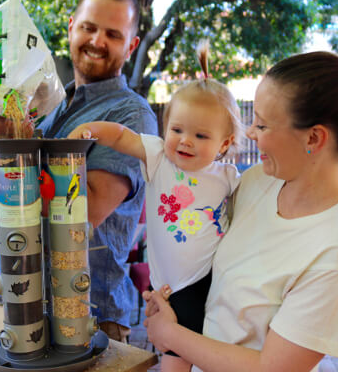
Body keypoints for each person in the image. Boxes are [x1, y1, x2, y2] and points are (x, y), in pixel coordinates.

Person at [142, 50, 338, 372]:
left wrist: (171, 335)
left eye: (263, 124)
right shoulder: (258, 183)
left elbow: (272, 368)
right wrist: (172, 298)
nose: (251, 133)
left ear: (313, 137)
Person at [0, 0, 158, 342]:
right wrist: (3, 136)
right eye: (89, 27)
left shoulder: (131, 117)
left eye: (113, 34)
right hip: (26, 301)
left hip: (90, 313)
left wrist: (15, 145)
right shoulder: (51, 109)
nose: (97, 41)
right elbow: (13, 195)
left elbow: (79, 215)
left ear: (131, 46)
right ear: (71, 27)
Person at [68, 43, 244, 371]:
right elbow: (121, 137)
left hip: (206, 285)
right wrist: (87, 131)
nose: (185, 140)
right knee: (172, 359)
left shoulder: (229, 178)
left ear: (225, 143)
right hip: (163, 288)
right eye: (177, 129)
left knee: (199, 357)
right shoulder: (158, 157)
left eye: (200, 135)